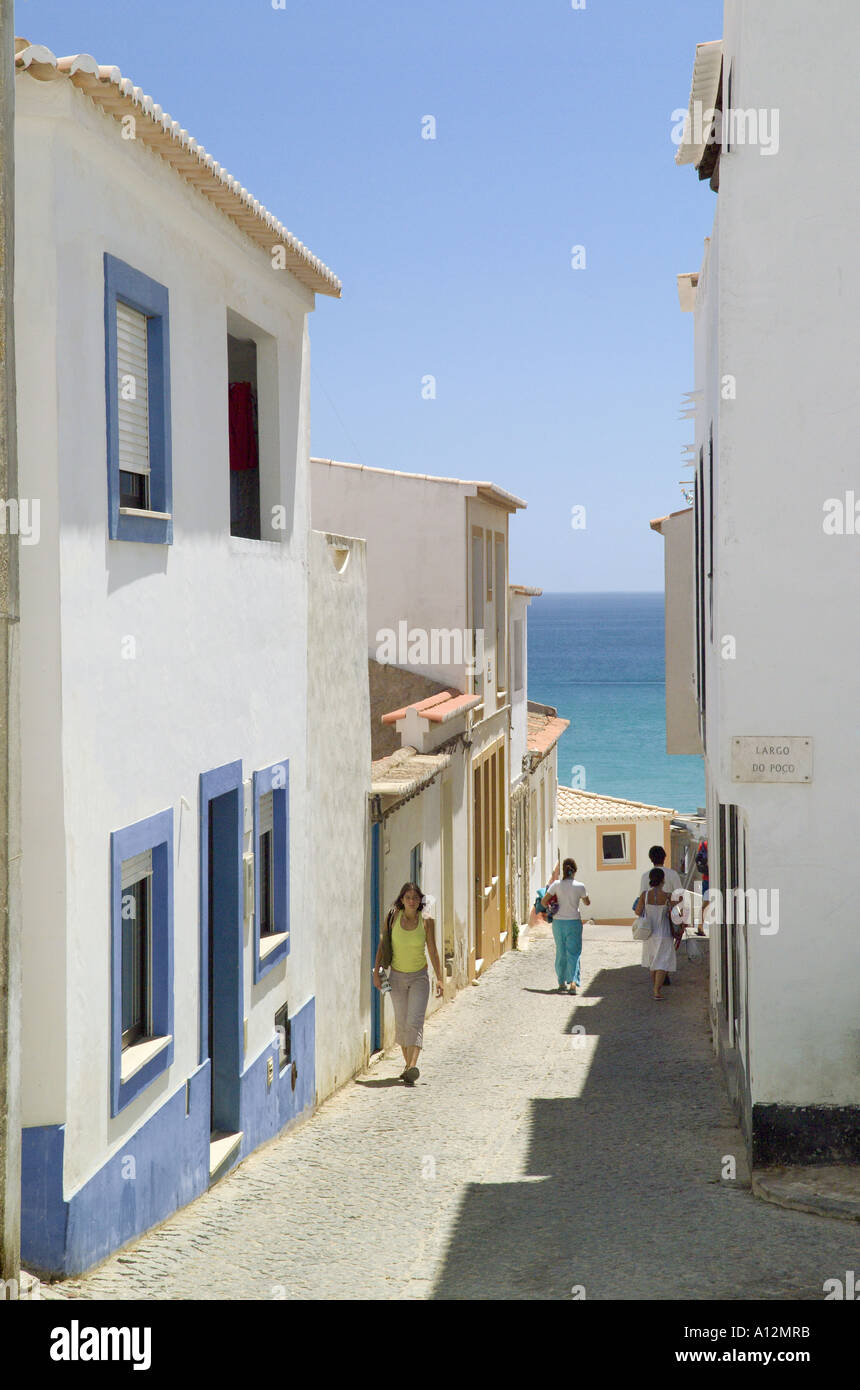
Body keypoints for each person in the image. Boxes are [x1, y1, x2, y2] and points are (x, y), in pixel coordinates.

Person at [372, 881, 443, 1085]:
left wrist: (439, 978)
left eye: (415, 898)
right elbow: (382, 946)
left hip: (419, 977)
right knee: (402, 1023)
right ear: (402, 900)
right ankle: (408, 1067)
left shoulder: (427, 921)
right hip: (396, 977)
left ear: (420, 900)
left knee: (415, 1021)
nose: (411, 901)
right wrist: (376, 973)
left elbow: (433, 949)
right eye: (408, 897)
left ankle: (412, 1066)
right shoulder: (393, 917)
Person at [542, 858, 590, 995]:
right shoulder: (580, 886)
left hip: (558, 923)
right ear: (574, 871)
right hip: (574, 922)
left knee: (561, 951)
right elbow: (587, 903)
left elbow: (544, 902)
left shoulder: (556, 885)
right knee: (574, 952)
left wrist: (552, 907)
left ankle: (561, 982)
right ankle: (573, 982)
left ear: (563, 870)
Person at [634, 867, 680, 1000]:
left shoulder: (644, 895)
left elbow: (638, 911)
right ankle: (656, 990)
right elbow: (676, 911)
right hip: (664, 932)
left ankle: (655, 987)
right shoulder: (667, 896)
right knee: (663, 962)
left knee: (653, 961)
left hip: (649, 933)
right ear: (663, 880)